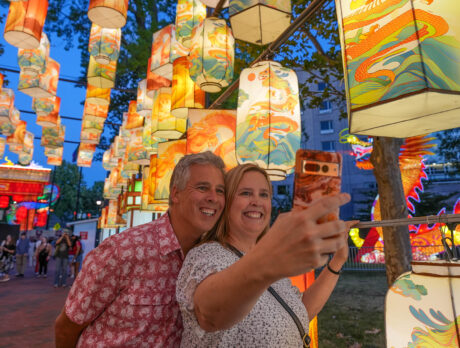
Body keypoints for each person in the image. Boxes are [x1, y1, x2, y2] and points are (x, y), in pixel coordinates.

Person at [54, 152, 227, 348]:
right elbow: (67, 326)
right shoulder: (122, 250)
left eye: (220, 191)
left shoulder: (211, 258)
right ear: (175, 193)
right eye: (203, 187)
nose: (214, 198)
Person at [177, 163, 355, 347]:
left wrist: (338, 260)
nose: (256, 201)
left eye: (264, 194)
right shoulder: (205, 256)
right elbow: (209, 315)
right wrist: (268, 260)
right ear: (226, 202)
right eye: (245, 193)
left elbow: (298, 312)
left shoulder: (266, 260)